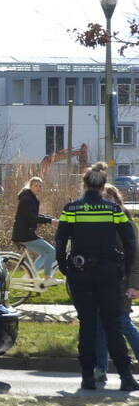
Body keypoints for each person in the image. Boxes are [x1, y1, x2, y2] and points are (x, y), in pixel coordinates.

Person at [55, 162, 139, 391]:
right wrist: (124, 268)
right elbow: (130, 242)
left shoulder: (71, 209)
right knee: (112, 326)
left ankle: (87, 378)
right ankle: (126, 378)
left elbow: (60, 240)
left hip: (80, 274)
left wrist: (65, 267)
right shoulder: (113, 211)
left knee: (88, 326)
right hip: (108, 275)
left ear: (84, 185)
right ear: (103, 187)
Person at [91, 183, 139, 384]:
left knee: (122, 322)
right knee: (100, 325)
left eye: (108, 198)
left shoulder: (125, 222)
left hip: (121, 283)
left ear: (115, 199)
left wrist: (133, 285)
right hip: (101, 283)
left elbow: (135, 257)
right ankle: (100, 369)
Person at [11, 176, 60, 286]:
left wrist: (50, 219)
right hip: (24, 235)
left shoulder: (31, 198)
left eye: (40, 186)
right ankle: (47, 278)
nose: (38, 188)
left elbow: (34, 215)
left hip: (25, 233)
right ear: (30, 186)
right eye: (36, 186)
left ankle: (29, 275)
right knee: (51, 251)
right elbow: (32, 218)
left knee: (45, 253)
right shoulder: (27, 199)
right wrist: (49, 220)